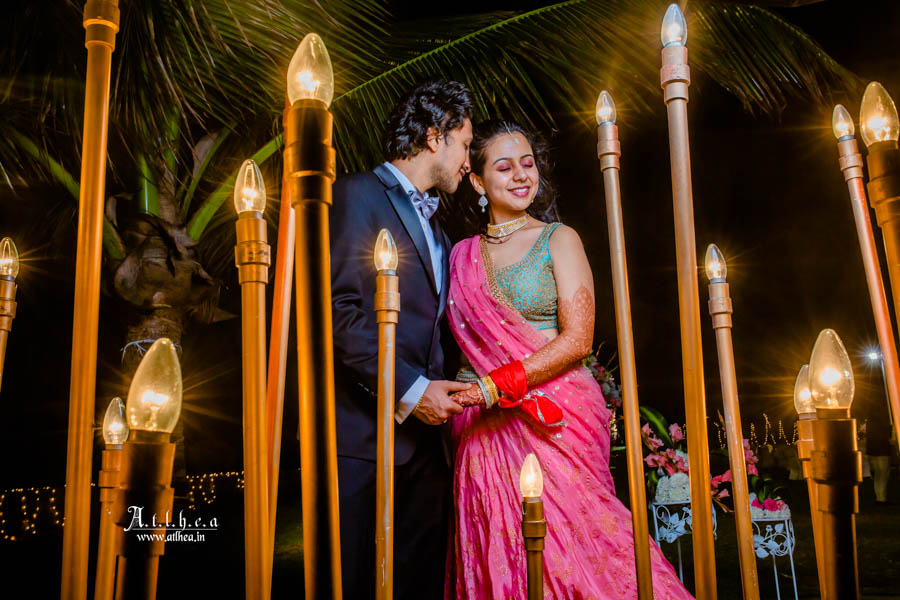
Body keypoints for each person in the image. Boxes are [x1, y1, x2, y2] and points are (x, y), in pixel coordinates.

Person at [443, 119, 693, 599]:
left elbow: (579, 339)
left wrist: (493, 386)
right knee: (502, 550)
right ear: (477, 181)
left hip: (556, 418)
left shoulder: (559, 238)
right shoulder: (461, 255)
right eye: (504, 167)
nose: (521, 175)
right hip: (482, 430)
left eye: (527, 163)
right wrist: (467, 397)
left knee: (583, 552)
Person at [329, 79, 475, 599]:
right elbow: (339, 313)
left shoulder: (441, 234)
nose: (468, 162)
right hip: (363, 441)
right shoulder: (355, 194)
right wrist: (412, 391)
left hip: (427, 451)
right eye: (464, 145)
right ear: (435, 137)